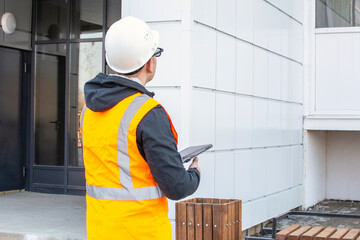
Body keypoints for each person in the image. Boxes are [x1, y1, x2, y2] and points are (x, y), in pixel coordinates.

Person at [80, 16, 201, 240]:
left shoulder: (88, 111)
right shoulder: (148, 113)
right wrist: (194, 173)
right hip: (141, 233)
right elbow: (176, 186)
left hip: (99, 231)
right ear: (149, 63)